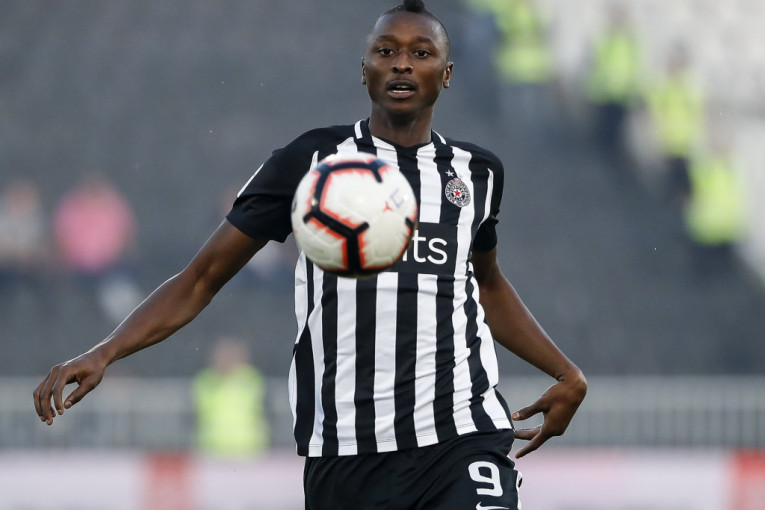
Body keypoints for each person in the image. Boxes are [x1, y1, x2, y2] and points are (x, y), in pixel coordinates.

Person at [34, 2, 587, 509]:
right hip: (345, 453)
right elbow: (201, 278)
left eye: (421, 53)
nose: (401, 63)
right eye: (386, 51)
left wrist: (565, 373)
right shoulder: (311, 160)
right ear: (364, 70)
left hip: (461, 436)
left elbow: (486, 285)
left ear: (446, 74)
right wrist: (106, 351)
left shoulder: (477, 173)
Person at [192, 336, 270, 458]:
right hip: (212, 449)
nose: (226, 359)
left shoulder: (250, 378)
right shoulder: (206, 381)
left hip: (248, 449)